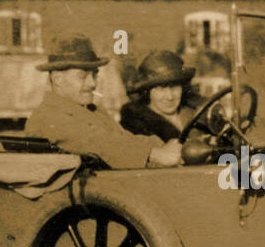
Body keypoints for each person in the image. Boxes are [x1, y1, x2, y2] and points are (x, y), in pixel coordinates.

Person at [24, 36, 182, 168]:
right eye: (82, 76)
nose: (92, 83)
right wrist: (155, 154)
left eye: (93, 75)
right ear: (58, 79)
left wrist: (161, 145)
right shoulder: (48, 117)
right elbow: (97, 142)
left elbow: (123, 138)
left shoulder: (92, 111)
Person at [120, 50, 202, 142]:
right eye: (161, 88)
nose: (170, 97)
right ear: (147, 91)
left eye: (174, 87)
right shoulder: (136, 125)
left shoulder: (198, 113)